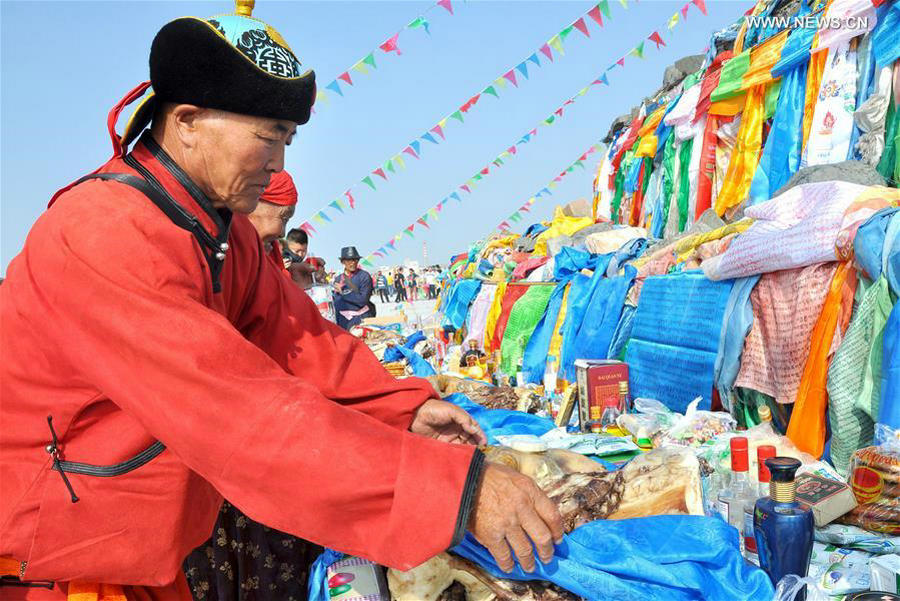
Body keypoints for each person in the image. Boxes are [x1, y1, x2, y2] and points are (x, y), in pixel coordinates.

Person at [0, 3, 564, 599]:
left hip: (140, 553)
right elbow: (238, 411)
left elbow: (300, 341)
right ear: (187, 121)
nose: (278, 165)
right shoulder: (103, 231)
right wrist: (455, 492)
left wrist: (402, 408)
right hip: (54, 557)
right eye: (268, 137)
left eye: (288, 139)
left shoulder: (225, 231)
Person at [332, 246, 375, 330]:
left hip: (361, 319)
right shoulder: (338, 279)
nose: (353, 263)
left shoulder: (364, 276)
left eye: (355, 260)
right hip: (343, 321)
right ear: (343, 262)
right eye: (349, 260)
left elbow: (362, 300)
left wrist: (343, 292)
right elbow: (337, 302)